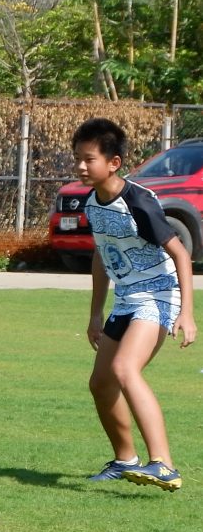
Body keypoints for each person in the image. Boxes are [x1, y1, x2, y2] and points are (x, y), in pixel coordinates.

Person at [71, 118, 194, 491]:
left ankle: (164, 464)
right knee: (101, 383)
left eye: (88, 159)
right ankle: (126, 459)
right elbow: (101, 255)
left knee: (126, 369)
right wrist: (95, 312)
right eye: (77, 158)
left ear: (114, 162)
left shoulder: (139, 201)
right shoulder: (92, 201)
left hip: (158, 294)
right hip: (125, 299)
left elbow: (181, 255)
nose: (80, 166)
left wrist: (187, 314)